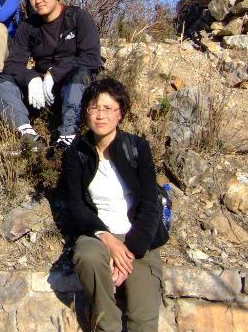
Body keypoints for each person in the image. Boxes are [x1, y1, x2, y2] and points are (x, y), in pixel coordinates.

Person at [64, 78, 167, 332]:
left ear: (121, 113)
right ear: (86, 112)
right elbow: (77, 206)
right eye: (94, 107)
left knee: (143, 322)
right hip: (98, 235)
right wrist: (108, 240)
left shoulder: (137, 148)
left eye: (108, 108)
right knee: (87, 256)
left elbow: (150, 205)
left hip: (138, 238)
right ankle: (106, 325)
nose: (101, 115)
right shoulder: (77, 152)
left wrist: (128, 252)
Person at [0, 0, 101, 151]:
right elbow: (13, 64)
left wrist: (55, 74)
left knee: (80, 74)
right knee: (1, 80)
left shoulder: (77, 17)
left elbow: (92, 58)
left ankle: (68, 136)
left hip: (73, 87)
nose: (38, 1)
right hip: (40, 92)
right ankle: (27, 135)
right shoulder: (28, 26)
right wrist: (31, 78)